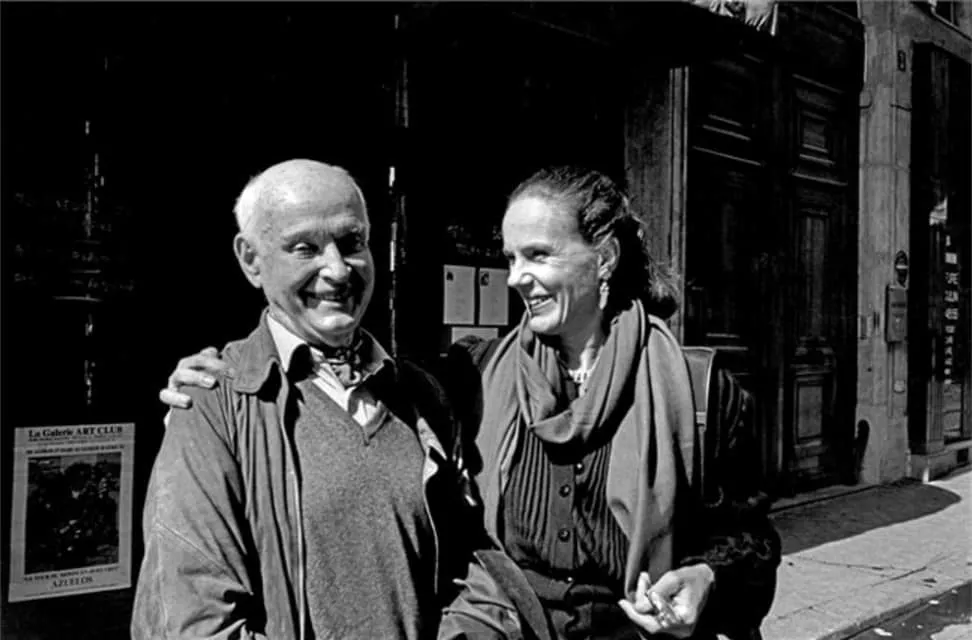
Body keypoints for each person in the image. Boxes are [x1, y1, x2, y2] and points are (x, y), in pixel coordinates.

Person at [162, 165, 781, 639]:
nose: (514, 277)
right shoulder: (472, 376)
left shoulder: (700, 389)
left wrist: (708, 578)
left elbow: (751, 543)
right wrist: (217, 380)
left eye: (538, 255)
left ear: (605, 259)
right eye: (510, 257)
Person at [134, 159, 550, 640]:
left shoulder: (419, 395)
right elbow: (192, 619)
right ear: (251, 260)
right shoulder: (213, 403)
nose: (336, 270)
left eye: (352, 243)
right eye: (304, 248)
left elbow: (473, 565)